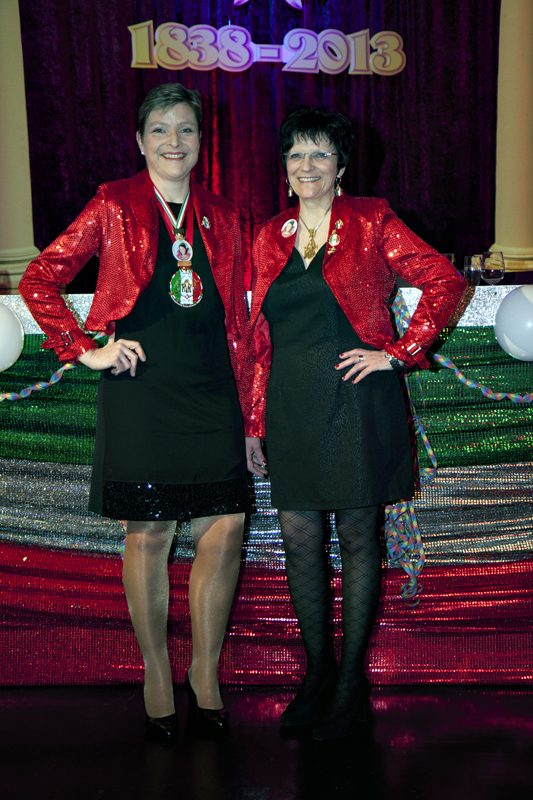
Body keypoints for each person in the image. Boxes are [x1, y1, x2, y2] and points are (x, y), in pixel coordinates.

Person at [19, 83, 261, 742]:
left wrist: (252, 417)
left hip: (214, 390)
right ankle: (156, 674)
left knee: (225, 528)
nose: (173, 141)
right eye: (159, 130)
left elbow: (246, 323)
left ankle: (204, 675)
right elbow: (40, 279)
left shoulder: (226, 215)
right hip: (141, 388)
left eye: (185, 129)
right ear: (139, 140)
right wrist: (84, 349)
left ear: (201, 141)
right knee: (149, 532)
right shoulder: (114, 202)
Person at [246, 107, 466, 741]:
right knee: (299, 541)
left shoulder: (371, 220)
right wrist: (255, 420)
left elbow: (444, 280)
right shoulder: (270, 235)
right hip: (291, 404)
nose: (307, 165)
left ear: (341, 164)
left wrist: (397, 354)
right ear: (285, 167)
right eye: (296, 154)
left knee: (359, 539)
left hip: (357, 401)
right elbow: (259, 338)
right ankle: (317, 672)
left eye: (320, 153)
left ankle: (351, 683)